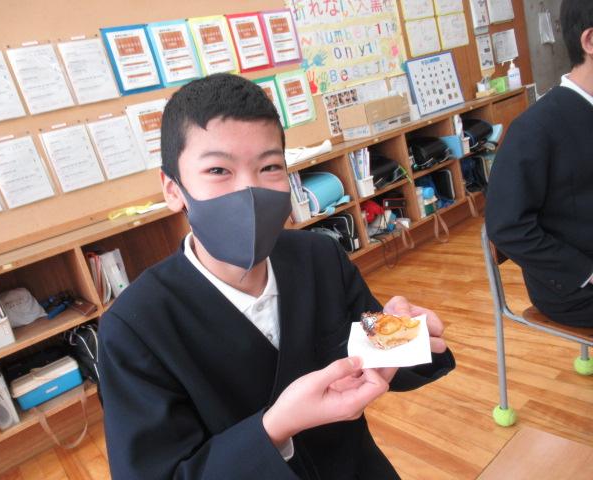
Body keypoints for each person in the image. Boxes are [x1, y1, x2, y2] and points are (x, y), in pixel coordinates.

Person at [98, 73, 455, 479]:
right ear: (173, 189)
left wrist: (409, 339)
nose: (249, 191)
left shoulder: (319, 257)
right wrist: (274, 429)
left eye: (269, 166)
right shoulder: (135, 327)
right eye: (218, 170)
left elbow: (371, 352)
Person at [485, 0, 593, 328]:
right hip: (574, 285)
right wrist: (585, 272)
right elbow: (507, 226)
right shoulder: (535, 128)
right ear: (590, 41)